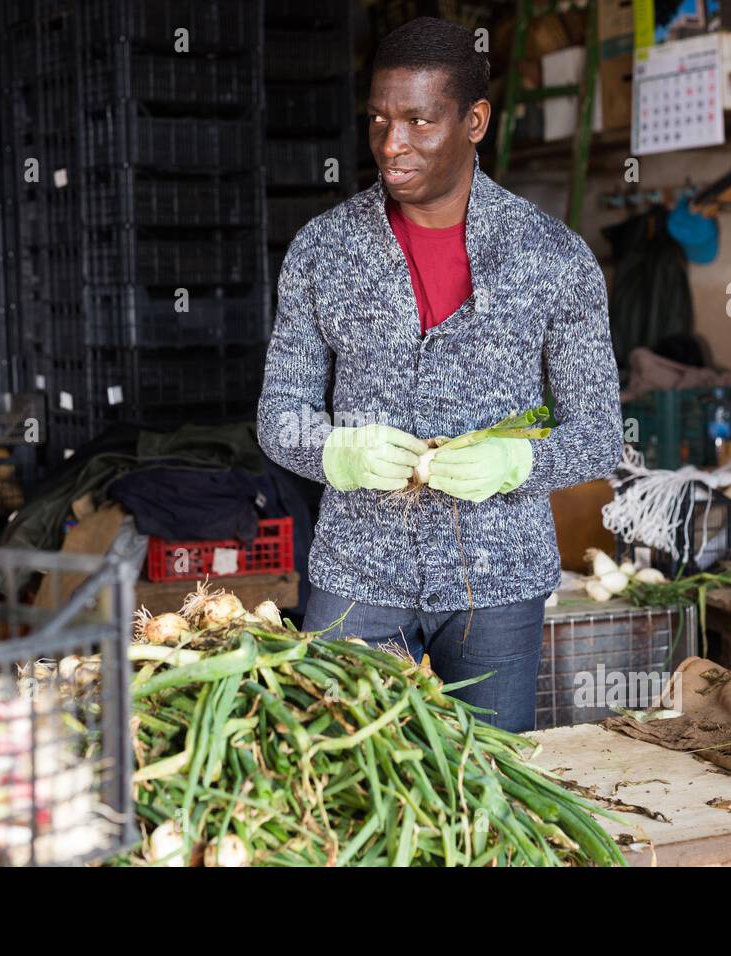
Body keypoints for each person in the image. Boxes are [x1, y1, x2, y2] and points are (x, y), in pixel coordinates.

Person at [256, 16, 621, 732]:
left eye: (420, 121)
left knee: (488, 787)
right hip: (356, 574)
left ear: (474, 120)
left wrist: (519, 460)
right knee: (341, 784)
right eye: (380, 120)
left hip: (498, 579)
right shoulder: (322, 251)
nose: (393, 145)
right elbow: (279, 414)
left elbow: (601, 431)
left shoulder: (552, 256)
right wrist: (333, 450)